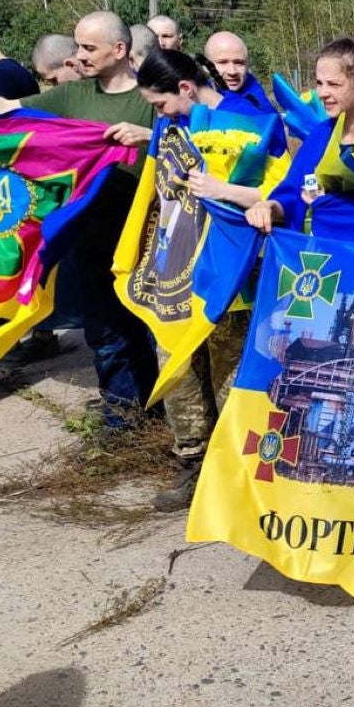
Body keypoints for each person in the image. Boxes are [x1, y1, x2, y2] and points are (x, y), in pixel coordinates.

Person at [0, 11, 159, 424]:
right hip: (91, 236)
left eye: (88, 47)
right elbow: (2, 108)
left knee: (146, 328)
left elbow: (189, 142)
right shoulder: (72, 95)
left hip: (146, 236)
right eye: (78, 45)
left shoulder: (152, 97)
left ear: (120, 50)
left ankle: (153, 405)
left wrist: (149, 137)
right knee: (104, 331)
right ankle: (123, 414)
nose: (78, 55)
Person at [134, 49, 286, 510]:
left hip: (231, 271)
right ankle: (192, 462)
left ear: (184, 88)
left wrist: (224, 192)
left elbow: (282, 193)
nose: (158, 116)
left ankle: (235, 470)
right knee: (177, 364)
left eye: (160, 104)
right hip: (176, 267)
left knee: (229, 372)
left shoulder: (252, 121)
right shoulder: (169, 125)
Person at [245, 37, 354, 245]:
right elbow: (293, 194)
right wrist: (269, 207)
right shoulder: (321, 135)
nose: (323, 93)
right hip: (320, 261)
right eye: (319, 83)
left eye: (334, 84)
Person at [203, 31, 274, 115]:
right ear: (206, 67)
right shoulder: (193, 102)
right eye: (223, 62)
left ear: (247, 65)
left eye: (239, 63)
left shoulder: (260, 106)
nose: (232, 71)